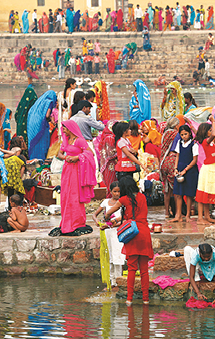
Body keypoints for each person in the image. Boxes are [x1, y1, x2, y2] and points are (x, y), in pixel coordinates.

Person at [104, 176, 153, 306]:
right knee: (144, 270)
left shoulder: (124, 199)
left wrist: (107, 217)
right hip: (144, 233)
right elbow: (135, 214)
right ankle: (146, 299)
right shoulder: (142, 197)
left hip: (133, 234)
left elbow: (110, 212)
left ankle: (129, 299)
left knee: (131, 269)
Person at [50, 120, 96, 237]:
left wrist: (77, 157)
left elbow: (90, 154)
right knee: (66, 195)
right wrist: (66, 157)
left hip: (77, 171)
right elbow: (59, 154)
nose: (63, 130)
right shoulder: (65, 140)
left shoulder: (79, 141)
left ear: (70, 128)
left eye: (64, 128)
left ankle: (77, 222)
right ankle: (66, 221)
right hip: (67, 170)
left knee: (75, 195)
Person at [93, 181, 125, 288]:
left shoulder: (122, 203)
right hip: (107, 232)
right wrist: (97, 221)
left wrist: (110, 225)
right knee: (109, 255)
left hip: (117, 232)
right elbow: (94, 214)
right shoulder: (106, 202)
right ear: (110, 192)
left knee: (118, 256)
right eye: (114, 191)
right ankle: (111, 281)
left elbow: (123, 220)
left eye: (119, 192)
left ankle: (118, 280)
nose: (116, 194)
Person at [170, 124, 198, 223]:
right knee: (178, 194)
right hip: (180, 168)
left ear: (190, 133)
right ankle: (178, 215)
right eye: (182, 135)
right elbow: (177, 156)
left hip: (190, 170)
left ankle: (187, 215)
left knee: (189, 194)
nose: (184, 136)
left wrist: (185, 170)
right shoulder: (179, 143)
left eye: (185, 134)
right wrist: (175, 168)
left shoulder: (194, 144)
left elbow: (195, 160)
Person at [195, 116, 215, 224]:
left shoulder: (211, 142)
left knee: (208, 193)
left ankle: (207, 217)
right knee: (202, 194)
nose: (211, 132)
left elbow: (214, 134)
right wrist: (213, 121)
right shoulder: (205, 141)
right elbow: (214, 134)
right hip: (207, 170)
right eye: (209, 130)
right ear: (206, 132)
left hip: (212, 168)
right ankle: (200, 218)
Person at [160, 117, 181, 218]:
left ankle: (167, 212)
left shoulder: (165, 133)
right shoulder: (175, 133)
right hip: (172, 161)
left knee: (167, 190)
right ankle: (178, 212)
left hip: (163, 162)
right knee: (176, 188)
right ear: (176, 125)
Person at [27, 90, 57, 160]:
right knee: (41, 141)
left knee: (34, 141)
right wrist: (52, 120)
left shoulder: (39, 102)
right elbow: (47, 115)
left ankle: (33, 159)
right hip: (41, 124)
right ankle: (41, 160)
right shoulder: (49, 101)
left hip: (32, 124)